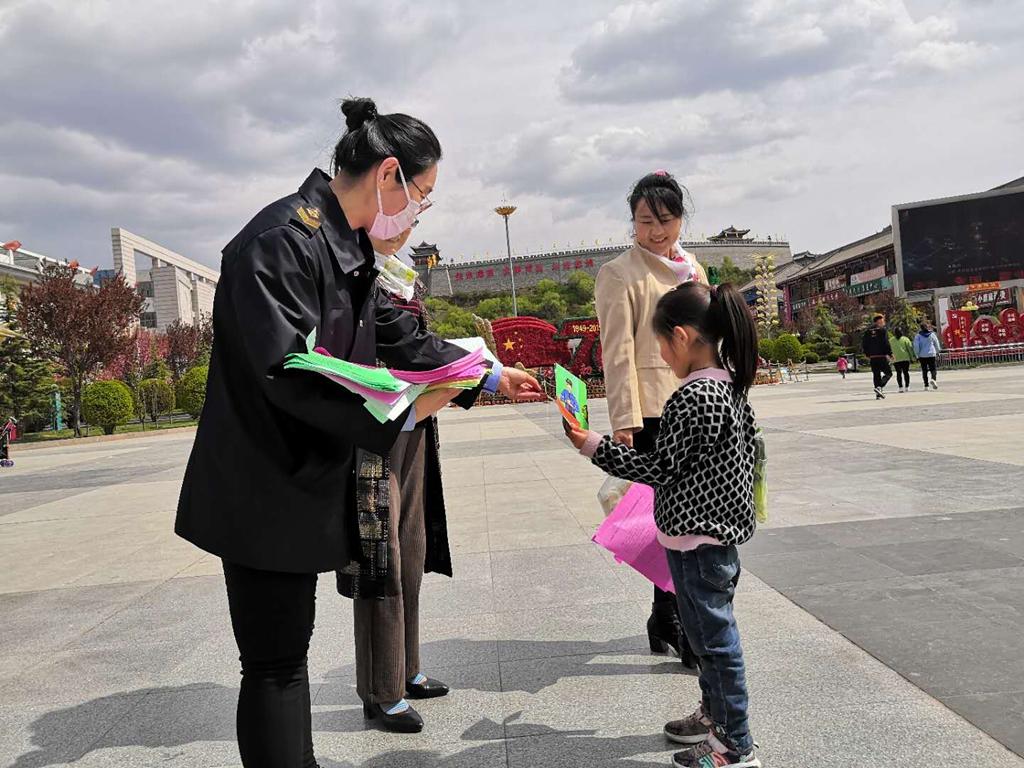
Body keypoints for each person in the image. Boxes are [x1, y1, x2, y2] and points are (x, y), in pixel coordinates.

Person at [174, 97, 543, 768]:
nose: (419, 213)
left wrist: (486, 374)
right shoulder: (279, 241)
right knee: (274, 665)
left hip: (301, 478)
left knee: (285, 658)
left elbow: (399, 335)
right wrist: (407, 408)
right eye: (422, 196)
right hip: (260, 486)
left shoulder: (341, 246)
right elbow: (289, 370)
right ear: (389, 174)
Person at [565, 282, 762, 768]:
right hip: (710, 539)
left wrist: (594, 446)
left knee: (716, 646)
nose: (659, 356)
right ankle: (714, 718)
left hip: (699, 542)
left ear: (680, 336)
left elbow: (660, 468)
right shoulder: (728, 386)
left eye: (658, 345)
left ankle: (734, 746)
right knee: (704, 639)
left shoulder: (693, 397)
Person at [340, 227, 453, 733]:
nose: (411, 220)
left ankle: (406, 669)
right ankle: (381, 690)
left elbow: (419, 345)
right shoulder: (352, 271)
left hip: (416, 424)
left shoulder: (402, 277)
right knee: (379, 556)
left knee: (411, 547)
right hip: (372, 431)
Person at [595, 170, 708, 668]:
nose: (657, 232)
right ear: (633, 222)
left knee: (687, 517)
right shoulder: (620, 273)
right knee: (663, 519)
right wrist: (624, 420)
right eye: (646, 222)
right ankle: (674, 616)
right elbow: (615, 351)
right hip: (654, 410)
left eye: (666, 220)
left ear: (681, 219)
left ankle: (665, 615)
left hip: (698, 403)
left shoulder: (694, 267)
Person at [862, 314, 893, 399]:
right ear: (878, 322)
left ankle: (878, 394)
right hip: (881, 356)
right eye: (882, 321)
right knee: (888, 373)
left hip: (873, 357)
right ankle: (880, 387)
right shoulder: (882, 331)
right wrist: (890, 354)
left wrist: (867, 354)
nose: (884, 323)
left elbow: (864, 344)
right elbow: (886, 343)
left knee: (876, 375)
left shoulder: (868, 332)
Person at [914, 321, 941, 390]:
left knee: (924, 370)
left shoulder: (918, 336)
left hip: (922, 355)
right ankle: (933, 379)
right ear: (927, 327)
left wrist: (917, 354)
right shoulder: (932, 334)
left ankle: (926, 385)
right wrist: (938, 351)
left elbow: (916, 346)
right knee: (933, 369)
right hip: (931, 354)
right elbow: (936, 343)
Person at [890, 327, 916, 392]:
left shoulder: (891, 340)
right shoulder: (906, 339)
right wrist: (912, 358)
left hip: (896, 359)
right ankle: (907, 386)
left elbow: (889, 350)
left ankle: (900, 387)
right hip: (905, 358)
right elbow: (910, 349)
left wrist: (890, 359)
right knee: (906, 373)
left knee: (899, 373)